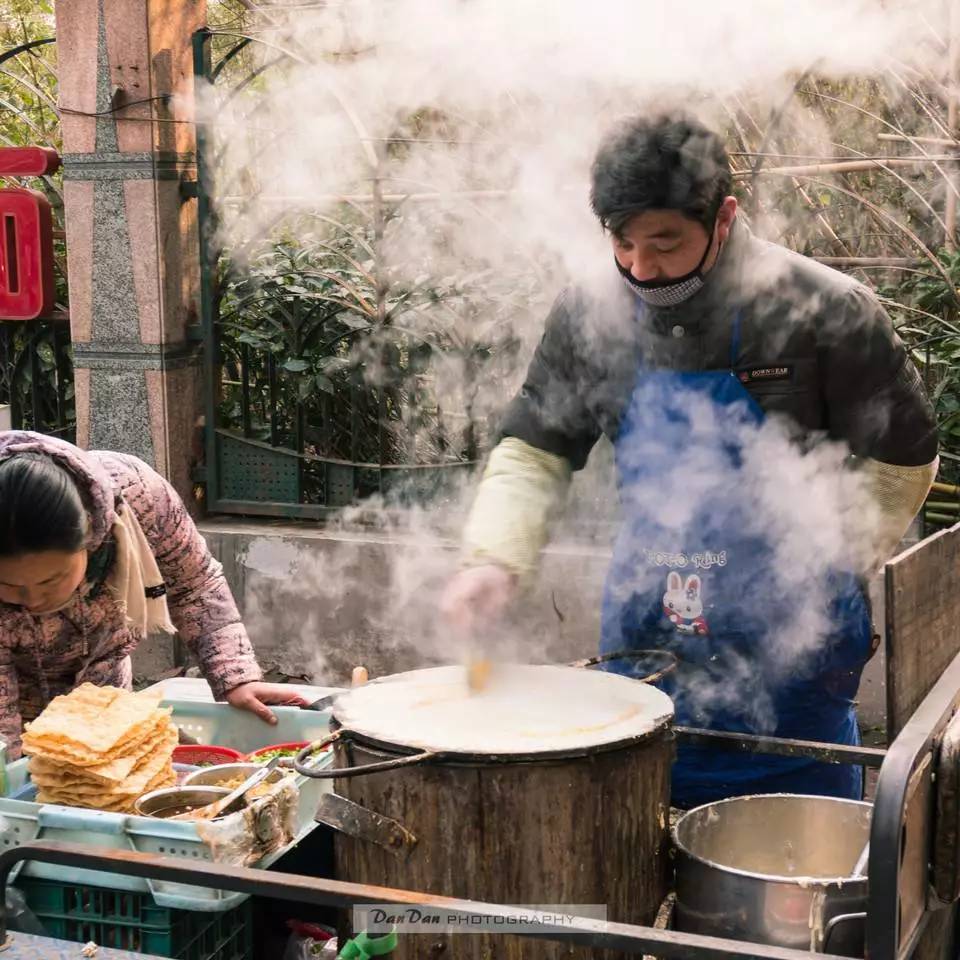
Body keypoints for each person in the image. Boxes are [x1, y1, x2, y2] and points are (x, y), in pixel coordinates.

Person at [441, 113, 939, 809]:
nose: (642, 269)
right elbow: (536, 448)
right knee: (639, 843)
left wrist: (824, 564)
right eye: (623, 243)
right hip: (650, 633)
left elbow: (904, 458)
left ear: (724, 217)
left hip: (794, 657)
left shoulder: (827, 311)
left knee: (792, 874)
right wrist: (492, 559)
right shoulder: (589, 315)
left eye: (666, 244)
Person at [0, 431, 306, 758]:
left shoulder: (137, 496)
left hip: (105, 695)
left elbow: (194, 583)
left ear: (90, 531)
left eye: (51, 580)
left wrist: (236, 676)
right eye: (8, 586)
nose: (32, 600)